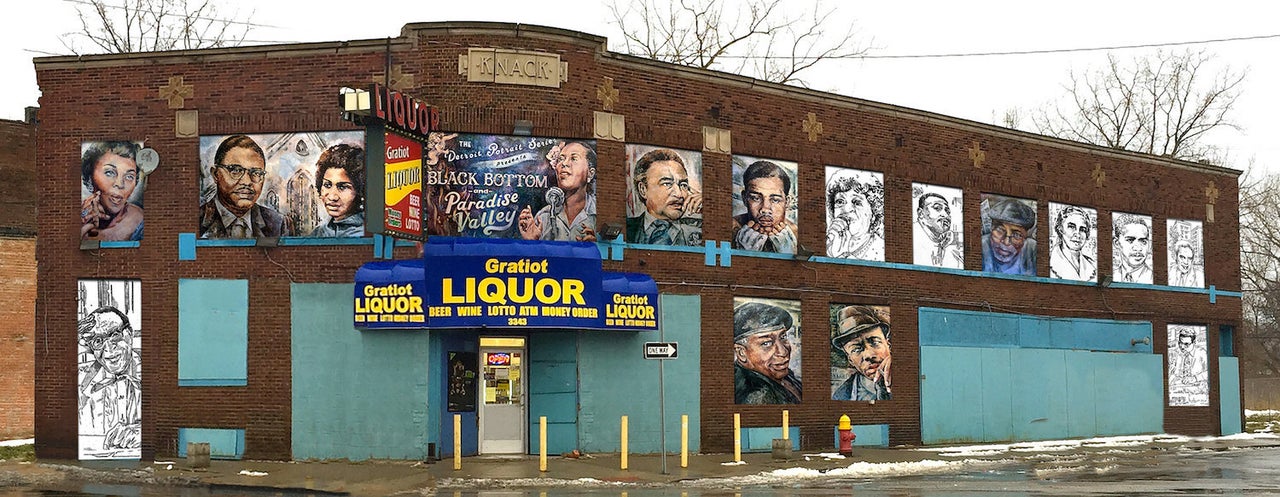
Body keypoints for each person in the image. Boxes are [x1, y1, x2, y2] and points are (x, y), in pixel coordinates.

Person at [77, 306, 141, 455]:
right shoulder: (83, 385)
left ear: (129, 334)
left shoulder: (155, 373)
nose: (108, 350)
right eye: (98, 341)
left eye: (114, 335)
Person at [199, 134, 286, 238]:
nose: (247, 181)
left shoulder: (278, 224)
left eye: (256, 173)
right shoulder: (196, 220)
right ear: (216, 174)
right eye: (235, 170)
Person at [517, 141, 597, 242]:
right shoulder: (543, 217)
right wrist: (532, 242)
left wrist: (595, 248)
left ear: (590, 173)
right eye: (561, 159)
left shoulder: (597, 214)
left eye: (574, 158)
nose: (564, 163)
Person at [626, 148, 702, 245]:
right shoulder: (627, 228)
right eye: (667, 184)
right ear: (643, 189)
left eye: (683, 185)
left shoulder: (699, 228)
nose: (679, 194)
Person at [733, 301, 802, 404]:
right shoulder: (755, 395)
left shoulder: (781, 376)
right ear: (741, 353)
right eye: (766, 343)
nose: (782, 351)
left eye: (783, 337)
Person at [80, 141, 144, 241]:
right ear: (89, 177)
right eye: (109, 173)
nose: (120, 184)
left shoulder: (141, 223)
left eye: (129, 176)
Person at [732, 160, 798, 253]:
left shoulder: (797, 235)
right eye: (755, 198)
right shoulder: (730, 229)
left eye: (775, 200)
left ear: (787, 202)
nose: (765, 209)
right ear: (744, 198)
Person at [830, 305, 892, 401]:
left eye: (875, 342)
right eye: (856, 349)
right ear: (850, 359)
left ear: (888, 344)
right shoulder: (842, 395)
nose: (869, 355)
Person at [308, 143, 366, 237]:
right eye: (327, 185)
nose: (332, 197)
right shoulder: (318, 233)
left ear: (360, 191)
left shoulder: (366, 233)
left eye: (342, 187)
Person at [825, 174, 884, 261]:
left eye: (857, 202)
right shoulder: (827, 246)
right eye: (840, 201)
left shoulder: (880, 250)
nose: (846, 209)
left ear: (873, 215)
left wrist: (843, 256)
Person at [981, 197, 1037, 275]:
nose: (1006, 242)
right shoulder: (981, 246)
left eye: (1017, 235)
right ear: (991, 228)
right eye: (1000, 230)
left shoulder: (1032, 249)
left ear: (1025, 237)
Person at [912, 192, 963, 268]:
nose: (945, 215)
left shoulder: (951, 247)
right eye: (937, 208)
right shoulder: (912, 238)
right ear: (921, 213)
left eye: (947, 211)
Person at [1049, 205, 1097, 281]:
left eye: (1082, 229)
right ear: (1061, 229)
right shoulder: (1050, 263)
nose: (1077, 234)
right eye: (1071, 227)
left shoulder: (1093, 265)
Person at [1113, 214, 1153, 284]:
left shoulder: (1153, 278)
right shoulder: (1113, 276)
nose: (1138, 248)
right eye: (1130, 240)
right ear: (1116, 243)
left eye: (1143, 241)